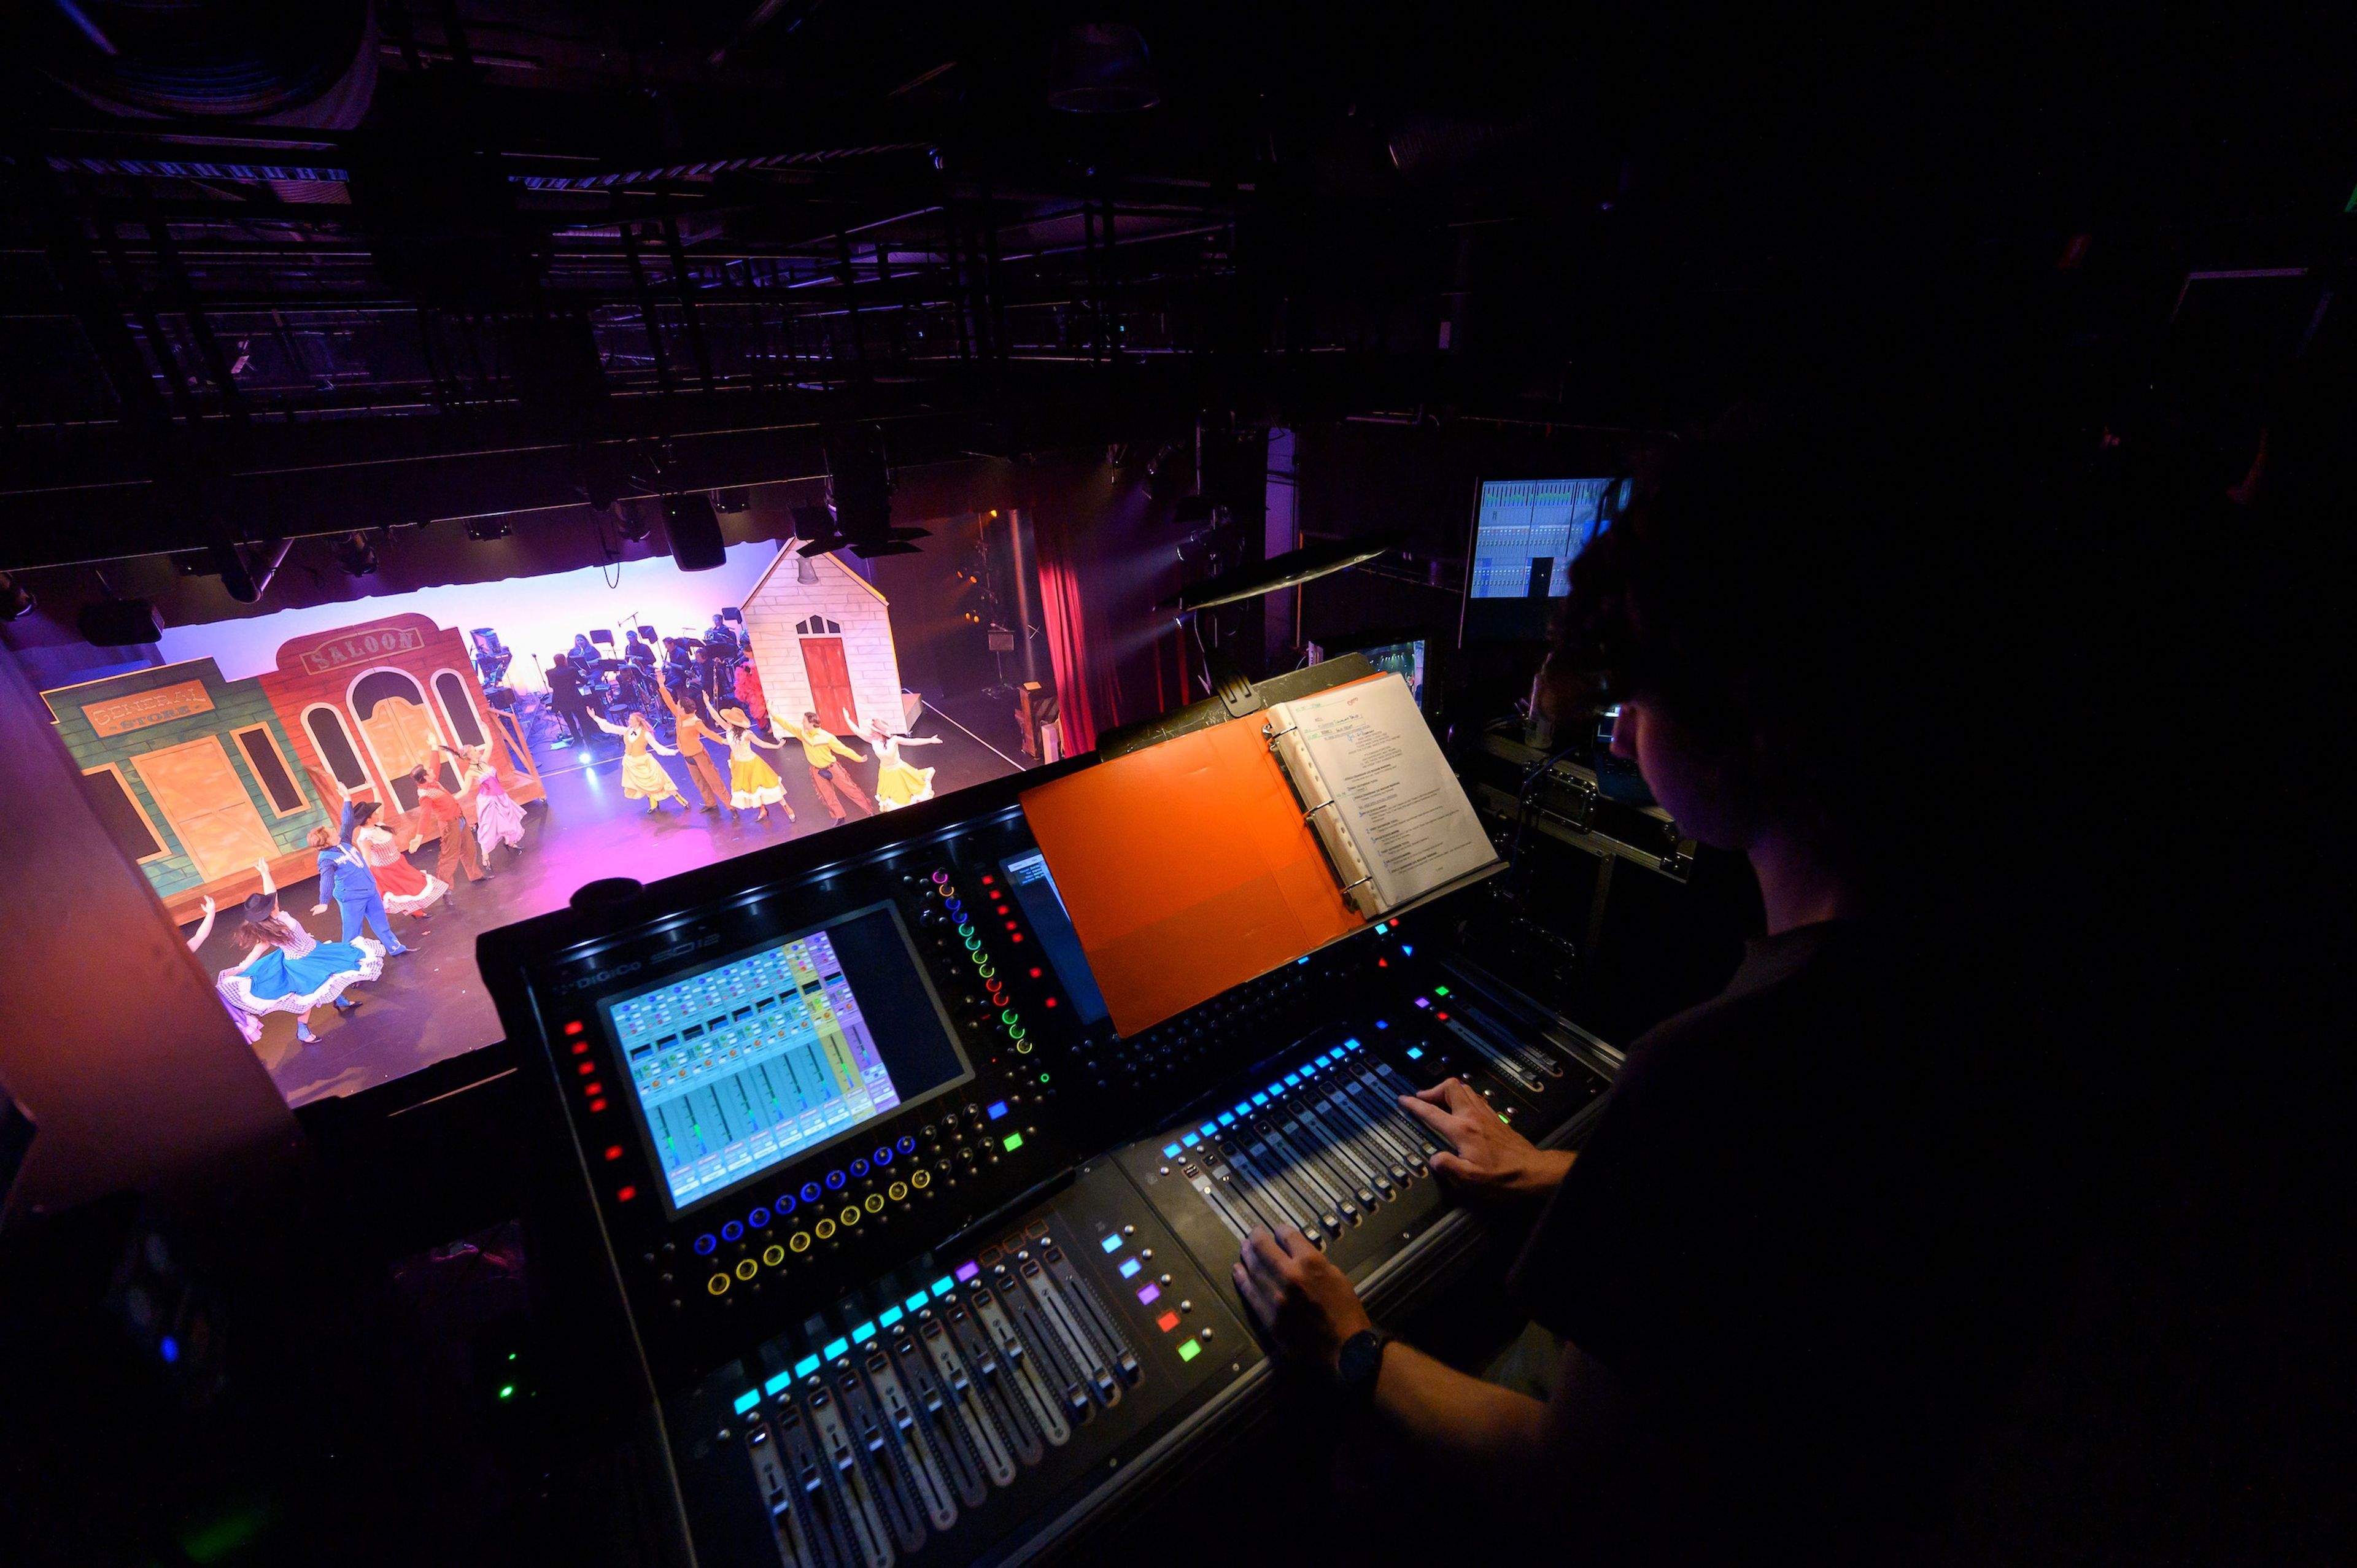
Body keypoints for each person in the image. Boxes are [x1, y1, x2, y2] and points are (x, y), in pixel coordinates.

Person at [1226, 428, 2077, 1566]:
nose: (1621, 731)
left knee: (1337, 1478)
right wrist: (1571, 1177)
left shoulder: (1722, 1065)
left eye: (1644, 695)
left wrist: (1347, 1341)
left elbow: (1575, 1491)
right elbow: (1784, 1208)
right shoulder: (1979, 959)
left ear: (1756, 721)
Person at [215, 857, 379, 1046]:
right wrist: (242, 967)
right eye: (271, 905)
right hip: (301, 964)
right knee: (307, 996)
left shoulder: (275, 914)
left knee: (332, 975)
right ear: (267, 913)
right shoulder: (273, 928)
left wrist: (265, 873)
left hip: (314, 951)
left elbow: (272, 893)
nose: (274, 903)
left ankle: (339, 999)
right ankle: (303, 1030)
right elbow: (259, 949)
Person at [308, 822, 416, 956]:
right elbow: (326, 880)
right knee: (352, 932)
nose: (336, 832)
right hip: (352, 898)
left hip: (370, 890)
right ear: (327, 841)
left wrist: (347, 800)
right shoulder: (326, 859)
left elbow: (347, 823)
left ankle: (395, 948)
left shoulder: (344, 842)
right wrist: (324, 902)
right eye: (332, 833)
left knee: (381, 922)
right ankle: (351, 960)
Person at [348, 797, 448, 925]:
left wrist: (374, 786)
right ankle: (414, 912)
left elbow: (381, 804)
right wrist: (363, 877)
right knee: (399, 892)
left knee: (413, 884)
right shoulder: (365, 838)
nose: (378, 814)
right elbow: (367, 858)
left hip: (398, 863)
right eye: (375, 814)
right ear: (368, 819)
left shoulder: (379, 825)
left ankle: (415, 911)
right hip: (385, 871)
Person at [702, 694, 795, 824]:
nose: (727, 721)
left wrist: (777, 746)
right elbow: (716, 716)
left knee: (767, 786)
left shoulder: (747, 735)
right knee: (752, 790)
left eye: (729, 719)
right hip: (739, 765)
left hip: (752, 764)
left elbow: (762, 744)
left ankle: (787, 807)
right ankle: (762, 809)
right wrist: (707, 703)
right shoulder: (729, 729)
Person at [656, 667, 733, 814]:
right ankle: (710, 803)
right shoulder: (680, 716)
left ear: (684, 709)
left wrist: (722, 741)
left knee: (714, 780)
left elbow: (708, 733)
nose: (677, 707)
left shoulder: (695, 721)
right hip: (687, 756)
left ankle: (731, 806)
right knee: (699, 781)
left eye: (679, 706)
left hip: (699, 755)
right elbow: (668, 701)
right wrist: (661, 685)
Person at [778, 709, 871, 823]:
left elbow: (844, 750)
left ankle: (870, 812)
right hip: (817, 771)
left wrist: (859, 758)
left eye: (804, 722)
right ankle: (839, 816)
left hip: (832, 768)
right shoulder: (803, 734)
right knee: (828, 796)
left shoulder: (827, 737)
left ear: (812, 723)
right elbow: (788, 726)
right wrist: (774, 714)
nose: (802, 724)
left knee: (851, 790)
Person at [414, 762, 492, 895]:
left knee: (469, 848)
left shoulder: (433, 781)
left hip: (459, 819)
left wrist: (433, 746)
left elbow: (436, 764)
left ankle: (475, 875)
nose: (433, 770)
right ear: (426, 777)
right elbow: (425, 816)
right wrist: (418, 837)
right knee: (449, 857)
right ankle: (445, 888)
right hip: (449, 825)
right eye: (429, 769)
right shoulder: (426, 794)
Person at [590, 711, 690, 813]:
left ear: (638, 722)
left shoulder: (646, 734)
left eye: (631, 719)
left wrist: (673, 752)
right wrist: (595, 717)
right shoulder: (627, 731)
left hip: (644, 762)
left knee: (661, 782)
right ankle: (653, 803)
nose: (629, 721)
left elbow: (658, 748)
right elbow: (610, 728)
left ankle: (681, 800)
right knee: (644, 785)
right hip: (632, 763)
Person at [444, 743, 527, 863]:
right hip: (488, 800)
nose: (478, 751)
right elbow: (465, 790)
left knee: (507, 820)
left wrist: (485, 727)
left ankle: (510, 842)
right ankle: (485, 855)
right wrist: (452, 799)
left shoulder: (483, 761)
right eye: (475, 750)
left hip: (501, 797)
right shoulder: (470, 773)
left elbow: (490, 744)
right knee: (489, 826)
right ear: (471, 756)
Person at [865, 718, 942, 811]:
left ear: (880, 733)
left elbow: (913, 742)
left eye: (874, 732)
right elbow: (858, 733)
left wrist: (930, 740)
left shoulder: (894, 740)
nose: (871, 733)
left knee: (905, 792)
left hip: (899, 770)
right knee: (892, 796)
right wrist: (847, 720)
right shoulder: (874, 742)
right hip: (886, 773)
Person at [546, 654, 594, 746]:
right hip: (575, 699)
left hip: (560, 701)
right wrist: (583, 674)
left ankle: (578, 741)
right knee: (583, 720)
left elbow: (551, 685)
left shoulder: (550, 673)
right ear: (565, 661)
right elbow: (584, 681)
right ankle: (589, 740)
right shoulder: (572, 670)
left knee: (570, 722)